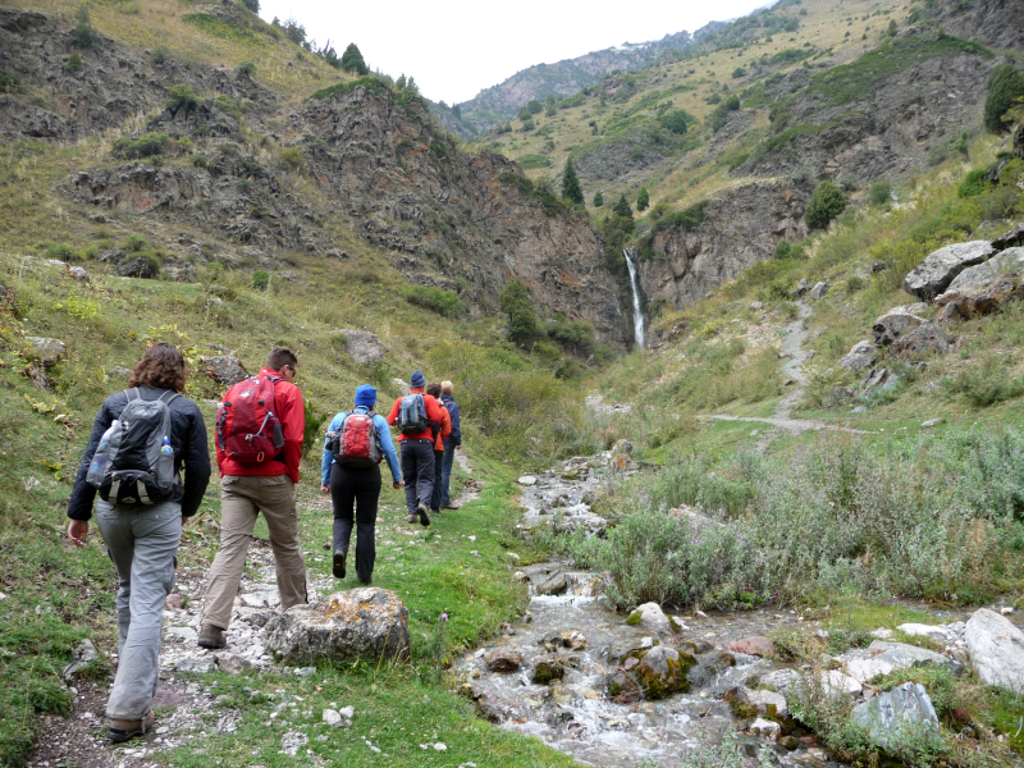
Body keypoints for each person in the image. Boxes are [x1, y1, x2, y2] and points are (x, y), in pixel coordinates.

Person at [67, 343, 211, 743]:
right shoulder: (184, 409)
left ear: (141, 367)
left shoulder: (116, 402)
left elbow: (90, 460)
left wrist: (78, 514)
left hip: (111, 511)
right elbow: (200, 467)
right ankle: (128, 712)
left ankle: (126, 686)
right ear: (179, 372)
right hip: (159, 511)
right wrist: (187, 508)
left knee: (129, 589)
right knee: (148, 599)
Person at [199, 347, 307, 650]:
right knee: (285, 545)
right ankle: (297, 616)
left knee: (230, 547)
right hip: (273, 476)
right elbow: (295, 438)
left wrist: (225, 468)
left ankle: (212, 624)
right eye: (294, 371)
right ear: (286, 369)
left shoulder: (235, 389)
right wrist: (290, 474)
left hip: (235, 476)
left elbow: (220, 434)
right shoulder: (288, 391)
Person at [320, 385, 401, 585]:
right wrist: (397, 477)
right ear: (373, 402)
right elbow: (389, 451)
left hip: (341, 472)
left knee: (342, 517)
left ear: (356, 400)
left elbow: (327, 451)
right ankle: (364, 574)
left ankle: (340, 550)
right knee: (366, 523)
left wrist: (326, 478)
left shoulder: (340, 418)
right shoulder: (378, 420)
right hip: (369, 475)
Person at [386, 370, 446, 526]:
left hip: (405, 444)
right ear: (423, 385)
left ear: (411, 385)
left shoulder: (401, 400)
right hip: (424, 443)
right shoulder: (428, 399)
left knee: (410, 479)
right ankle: (424, 504)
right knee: (426, 477)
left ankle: (412, 513)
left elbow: (391, 420)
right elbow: (437, 418)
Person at [426, 382, 451, 517]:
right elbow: (447, 430)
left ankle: (422, 501)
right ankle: (435, 505)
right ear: (440, 394)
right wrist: (439, 437)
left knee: (423, 473)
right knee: (437, 475)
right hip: (437, 446)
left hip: (422, 443)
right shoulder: (442, 409)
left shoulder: (423, 406)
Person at [439, 380, 462, 510]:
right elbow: (454, 426)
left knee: (436, 469)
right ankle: (445, 500)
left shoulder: (437, 403)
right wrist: (458, 442)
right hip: (447, 442)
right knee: (445, 470)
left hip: (436, 441)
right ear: (451, 391)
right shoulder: (452, 406)